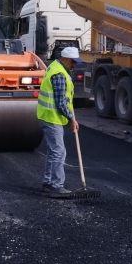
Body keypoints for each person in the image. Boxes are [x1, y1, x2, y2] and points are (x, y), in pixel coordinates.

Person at [37, 47, 82, 197]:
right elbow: (61, 102)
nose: (74, 65)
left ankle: (48, 183)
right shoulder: (59, 74)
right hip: (51, 117)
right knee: (59, 152)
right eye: (72, 61)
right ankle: (57, 186)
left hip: (46, 115)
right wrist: (71, 118)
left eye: (76, 62)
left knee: (52, 151)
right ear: (63, 59)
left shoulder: (55, 66)